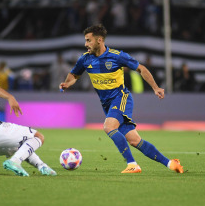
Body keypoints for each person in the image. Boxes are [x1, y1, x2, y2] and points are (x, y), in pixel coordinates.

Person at [59, 24, 184, 174]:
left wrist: (155, 87)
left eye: (88, 40)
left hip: (121, 97)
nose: (86, 44)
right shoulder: (85, 59)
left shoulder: (117, 56)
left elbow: (141, 69)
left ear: (99, 40)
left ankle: (132, 164)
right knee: (134, 140)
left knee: (109, 127)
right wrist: (67, 83)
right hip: (106, 104)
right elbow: (74, 74)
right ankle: (170, 164)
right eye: (85, 41)